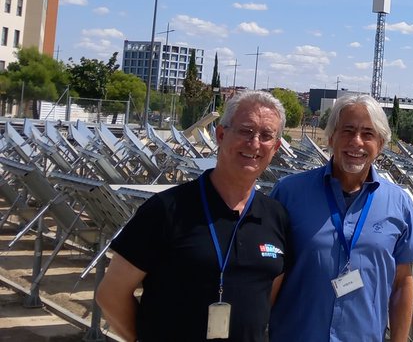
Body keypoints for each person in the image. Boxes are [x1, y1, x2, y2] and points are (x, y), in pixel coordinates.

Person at [96, 90, 290, 342]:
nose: (254, 143)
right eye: (245, 130)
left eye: (266, 136)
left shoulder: (276, 216)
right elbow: (111, 294)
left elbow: (268, 294)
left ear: (275, 148)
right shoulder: (166, 210)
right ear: (221, 135)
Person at [269, 94, 413, 342]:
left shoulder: (399, 204)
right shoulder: (289, 193)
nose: (357, 142)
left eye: (368, 133)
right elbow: (268, 274)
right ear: (331, 137)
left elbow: (402, 283)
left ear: (381, 144)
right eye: (348, 131)